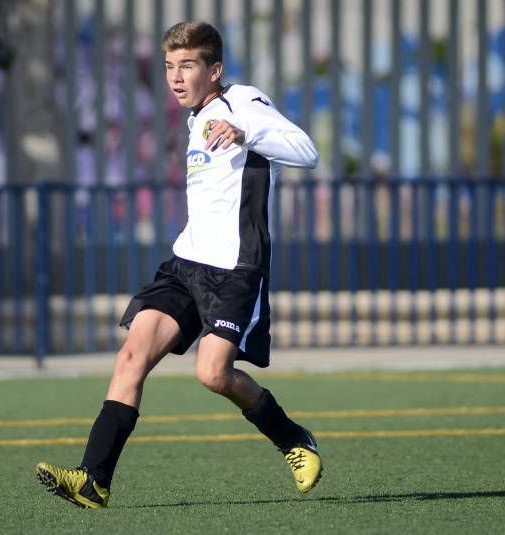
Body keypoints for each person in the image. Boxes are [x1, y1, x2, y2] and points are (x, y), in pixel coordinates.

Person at [35, 21, 322, 509]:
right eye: (169, 66)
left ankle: (294, 439)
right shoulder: (196, 117)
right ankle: (93, 480)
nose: (174, 76)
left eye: (187, 65)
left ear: (215, 70)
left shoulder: (244, 103)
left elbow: (308, 152)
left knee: (213, 375)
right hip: (185, 263)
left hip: (234, 268)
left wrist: (246, 133)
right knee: (131, 356)